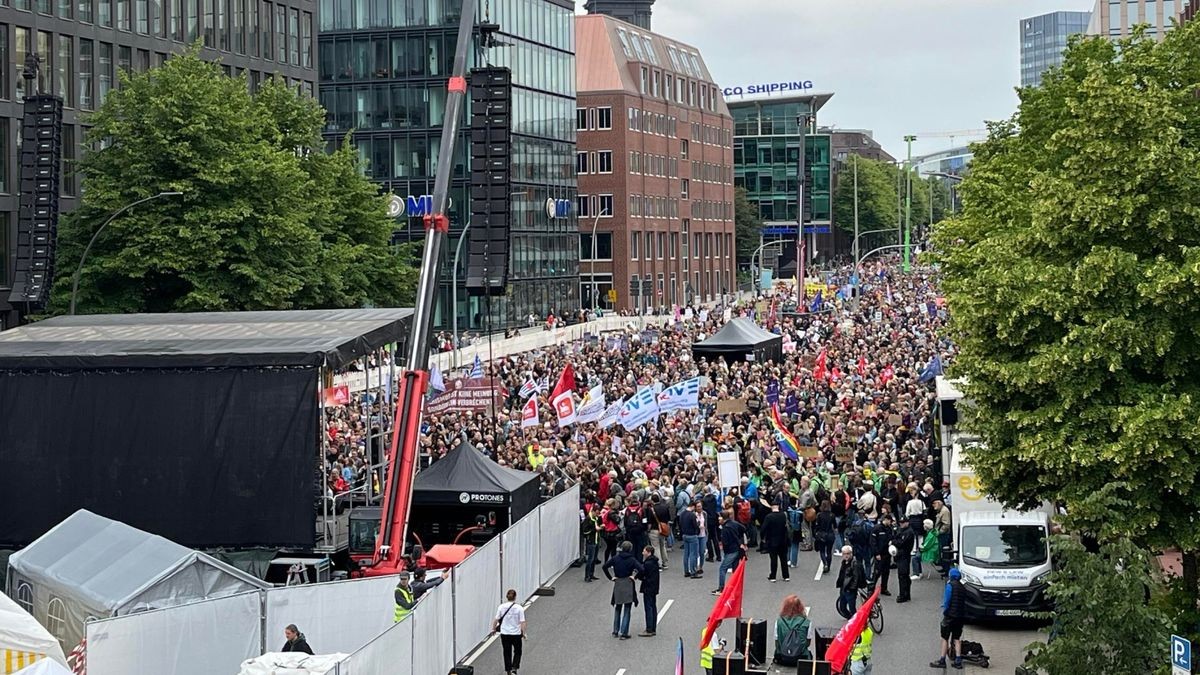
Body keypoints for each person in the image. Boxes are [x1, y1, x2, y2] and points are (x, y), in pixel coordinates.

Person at [602, 540, 643, 639]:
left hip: (618, 583)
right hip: (628, 583)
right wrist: (634, 576)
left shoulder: (616, 558)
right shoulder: (632, 560)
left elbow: (604, 567)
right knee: (627, 609)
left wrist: (611, 577)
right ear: (630, 549)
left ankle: (615, 631)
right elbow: (641, 569)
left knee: (618, 607)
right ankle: (624, 632)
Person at [930, 568, 966, 670]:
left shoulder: (950, 586)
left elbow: (947, 601)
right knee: (957, 638)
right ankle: (958, 660)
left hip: (950, 616)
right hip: (960, 617)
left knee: (945, 638)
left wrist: (945, 612)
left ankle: (942, 660)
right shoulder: (963, 588)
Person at [493, 588, 526, 675]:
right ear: (515, 597)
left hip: (505, 633)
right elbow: (522, 622)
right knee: (518, 651)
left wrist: (493, 629)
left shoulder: (501, 607)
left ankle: (508, 670)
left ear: (507, 597)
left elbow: (496, 620)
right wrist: (523, 632)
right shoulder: (519, 608)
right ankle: (514, 668)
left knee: (507, 651)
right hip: (516, 633)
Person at [772, 594, 812, 666]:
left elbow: (777, 642)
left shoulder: (779, 622)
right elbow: (808, 643)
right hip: (801, 658)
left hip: (782, 658)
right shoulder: (806, 622)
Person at [714, 509, 747, 595]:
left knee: (722, 569)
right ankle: (736, 587)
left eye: (719, 518)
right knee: (735, 570)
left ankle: (721, 589)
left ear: (722, 518)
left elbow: (725, 542)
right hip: (737, 550)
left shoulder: (725, 528)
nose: (718, 520)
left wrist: (722, 546)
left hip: (731, 551)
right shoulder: (734, 523)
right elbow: (743, 528)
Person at [759, 502, 790, 582]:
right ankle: (786, 576)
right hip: (783, 540)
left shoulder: (769, 517)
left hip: (772, 541)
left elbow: (763, 529)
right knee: (783, 559)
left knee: (773, 559)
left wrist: (763, 538)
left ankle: (773, 576)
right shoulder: (783, 515)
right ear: (778, 507)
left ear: (771, 507)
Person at [834, 545, 866, 619]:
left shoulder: (854, 564)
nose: (846, 556)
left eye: (848, 553)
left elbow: (856, 578)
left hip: (849, 590)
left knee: (852, 608)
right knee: (842, 607)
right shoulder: (844, 562)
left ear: (851, 553)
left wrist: (852, 588)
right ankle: (851, 619)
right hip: (843, 588)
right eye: (844, 554)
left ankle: (856, 622)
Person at [636, 545, 660, 636]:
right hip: (654, 587)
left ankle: (649, 629)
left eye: (644, 551)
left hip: (648, 587)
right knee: (653, 607)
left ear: (649, 552)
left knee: (648, 608)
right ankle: (653, 627)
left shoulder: (647, 563)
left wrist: (638, 577)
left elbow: (642, 573)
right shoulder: (654, 562)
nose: (643, 553)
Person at [893, 516, 916, 603]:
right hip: (900, 555)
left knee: (903, 575)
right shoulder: (901, 530)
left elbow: (901, 543)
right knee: (903, 576)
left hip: (904, 556)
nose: (901, 524)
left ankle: (903, 595)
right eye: (900, 523)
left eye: (903, 523)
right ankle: (905, 594)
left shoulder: (908, 532)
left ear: (907, 522)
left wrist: (893, 542)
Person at [871, 514, 895, 596]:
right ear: (886, 519)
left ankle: (884, 588)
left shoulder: (889, 528)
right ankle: (871, 588)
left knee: (886, 572)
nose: (890, 522)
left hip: (887, 554)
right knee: (877, 572)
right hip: (879, 554)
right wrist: (876, 553)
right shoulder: (877, 528)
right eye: (890, 521)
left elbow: (892, 538)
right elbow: (873, 542)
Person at [680, 497, 703, 578]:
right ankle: (693, 571)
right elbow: (696, 526)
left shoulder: (682, 514)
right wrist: (698, 528)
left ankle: (686, 571)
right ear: (693, 506)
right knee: (693, 554)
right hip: (692, 535)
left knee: (686, 554)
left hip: (685, 535)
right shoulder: (692, 515)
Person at [813, 499, 836, 573]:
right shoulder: (832, 515)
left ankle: (825, 563)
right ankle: (828, 566)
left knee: (822, 551)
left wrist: (816, 534)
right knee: (829, 551)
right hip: (830, 534)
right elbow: (835, 525)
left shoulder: (819, 515)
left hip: (821, 534)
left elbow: (816, 526)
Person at [933, 499, 952, 576]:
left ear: (939, 503)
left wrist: (939, 532)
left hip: (943, 535)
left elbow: (946, 524)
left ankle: (946, 570)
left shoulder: (944, 511)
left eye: (934, 503)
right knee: (941, 552)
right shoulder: (941, 510)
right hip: (942, 534)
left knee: (944, 552)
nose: (933, 505)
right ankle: (944, 568)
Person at [582, 505, 601, 582]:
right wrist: (595, 529)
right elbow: (585, 531)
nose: (597, 515)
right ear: (592, 511)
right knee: (590, 559)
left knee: (594, 559)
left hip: (596, 540)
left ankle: (591, 574)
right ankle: (587, 576)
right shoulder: (588, 519)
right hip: (591, 541)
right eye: (596, 513)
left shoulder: (596, 518)